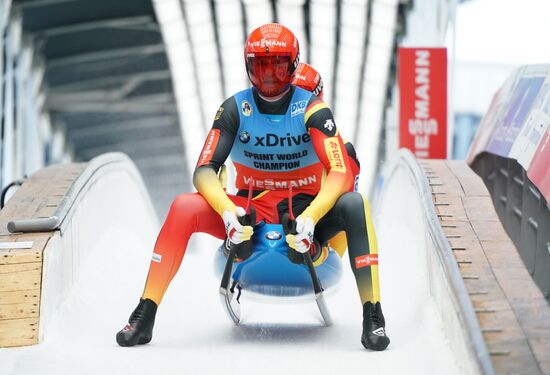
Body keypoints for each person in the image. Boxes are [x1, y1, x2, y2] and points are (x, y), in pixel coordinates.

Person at [116, 23, 390, 351]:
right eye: (262, 66)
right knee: (183, 205)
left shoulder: (315, 112)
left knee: (354, 203)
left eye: (279, 66)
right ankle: (145, 312)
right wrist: (227, 210)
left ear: (293, 68)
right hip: (251, 210)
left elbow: (342, 173)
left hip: (304, 210)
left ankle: (372, 313)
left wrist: (313, 217)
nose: (271, 76)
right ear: (249, 68)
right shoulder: (234, 109)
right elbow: (204, 170)